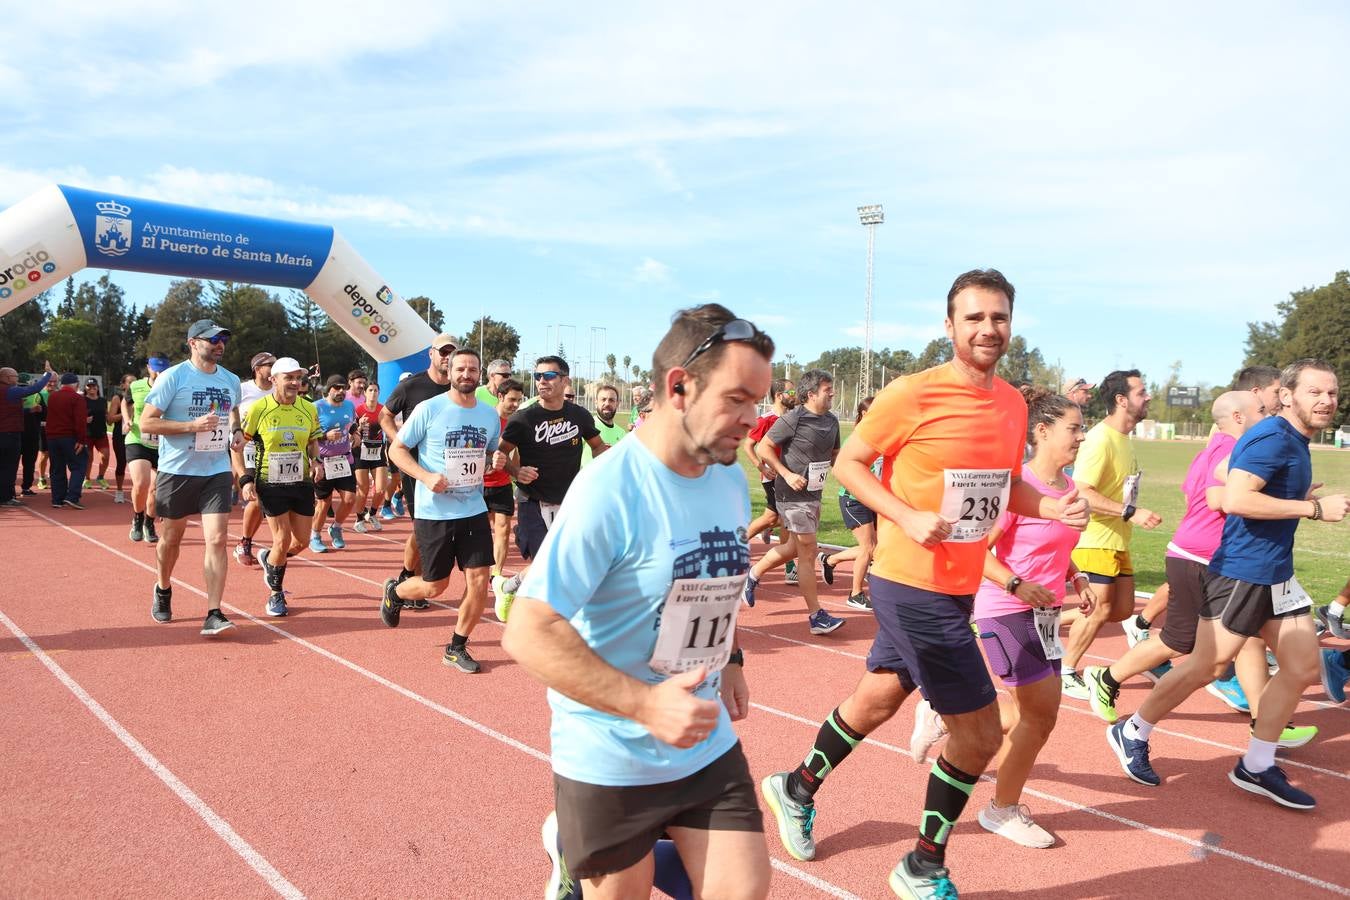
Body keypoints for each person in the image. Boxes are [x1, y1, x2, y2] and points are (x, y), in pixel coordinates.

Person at [760, 270, 1089, 898]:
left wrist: (1050, 508)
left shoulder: (1013, 403)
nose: (987, 329)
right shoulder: (912, 393)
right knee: (981, 732)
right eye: (974, 318)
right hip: (909, 581)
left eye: (998, 317)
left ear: (1010, 324)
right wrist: (904, 514)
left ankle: (795, 787)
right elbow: (854, 464)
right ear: (950, 326)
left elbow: (1001, 486)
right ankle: (922, 866)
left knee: (878, 700)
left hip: (960, 585)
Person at [502, 304, 774, 900]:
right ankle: (571, 849)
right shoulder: (608, 490)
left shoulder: (726, 473)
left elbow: (711, 577)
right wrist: (647, 706)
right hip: (609, 750)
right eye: (736, 399)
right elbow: (528, 629)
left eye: (758, 402)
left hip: (702, 736)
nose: (751, 420)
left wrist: (729, 658)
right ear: (679, 387)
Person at [1106, 359, 1348, 809]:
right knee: (1207, 666)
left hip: (1277, 573)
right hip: (1243, 571)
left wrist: (1300, 497)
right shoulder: (1273, 437)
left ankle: (1256, 765)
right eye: (1315, 392)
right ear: (1288, 395)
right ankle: (1132, 729)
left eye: (1332, 393)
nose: (1326, 401)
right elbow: (1235, 498)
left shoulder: (1295, 439)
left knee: (1301, 667)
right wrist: (1312, 510)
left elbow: (1245, 486)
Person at [1084, 392, 1274, 726]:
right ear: (1239, 417)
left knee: (1243, 636)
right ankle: (1109, 680)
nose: (1269, 415)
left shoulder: (1209, 452)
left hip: (1202, 554)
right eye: (1262, 410)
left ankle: (1267, 723)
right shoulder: (1233, 452)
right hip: (1201, 557)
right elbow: (1223, 501)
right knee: (1183, 641)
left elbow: (1190, 491)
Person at [380, 348, 501, 673]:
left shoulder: (489, 415)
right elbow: (397, 450)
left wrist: (497, 462)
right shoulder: (429, 409)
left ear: (479, 375)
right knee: (435, 586)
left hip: (473, 509)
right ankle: (396, 590)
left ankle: (456, 646)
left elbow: (490, 456)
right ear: (449, 373)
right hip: (435, 512)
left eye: (472, 369)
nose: (466, 374)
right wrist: (425, 476)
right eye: (460, 369)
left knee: (478, 581)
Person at [1059, 369, 1163, 700]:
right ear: (1121, 400)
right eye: (1141, 392)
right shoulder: (1100, 440)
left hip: (1117, 539)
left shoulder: (1124, 439)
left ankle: (1051, 619)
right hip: (1094, 540)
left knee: (1119, 610)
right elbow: (1083, 491)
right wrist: (1131, 512)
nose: (1147, 397)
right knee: (1100, 609)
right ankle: (1065, 670)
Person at [140, 320, 243, 635]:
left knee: (217, 538)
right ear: (193, 343)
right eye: (213, 339)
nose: (219, 344)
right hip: (178, 470)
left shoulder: (231, 379)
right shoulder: (174, 377)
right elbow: (147, 423)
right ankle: (163, 586)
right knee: (172, 538)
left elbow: (233, 410)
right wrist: (190, 427)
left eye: (223, 339)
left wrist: (236, 430)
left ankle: (214, 612)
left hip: (216, 468)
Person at [490, 355, 606, 621]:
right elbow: (500, 455)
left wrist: (596, 473)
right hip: (533, 501)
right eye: (538, 376)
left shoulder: (579, 415)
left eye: (549, 376)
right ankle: (544, 619)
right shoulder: (523, 418)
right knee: (547, 564)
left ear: (565, 380)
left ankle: (509, 586)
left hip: (569, 503)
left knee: (564, 564)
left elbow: (598, 446)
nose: (542, 381)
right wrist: (516, 471)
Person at [744, 369, 845, 636]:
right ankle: (816, 616)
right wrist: (787, 474)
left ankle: (752, 574)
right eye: (827, 389)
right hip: (790, 495)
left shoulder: (832, 421)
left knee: (792, 547)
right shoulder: (793, 419)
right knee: (808, 551)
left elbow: (835, 456)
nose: (832, 392)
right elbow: (764, 447)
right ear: (811, 394)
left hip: (814, 493)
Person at [237, 357, 324, 617]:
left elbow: (312, 441)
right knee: (282, 538)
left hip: (301, 482)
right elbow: (238, 446)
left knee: (301, 542)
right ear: (274, 380)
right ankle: (276, 594)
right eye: (289, 378)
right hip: (269, 481)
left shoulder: (308, 409)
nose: (295, 382)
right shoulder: (258, 409)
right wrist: (244, 478)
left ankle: (270, 559)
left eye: (298, 377)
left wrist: (317, 460)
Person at [379, 334, 458, 595]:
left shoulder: (460, 388)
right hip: (417, 469)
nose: (447, 357)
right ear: (431, 354)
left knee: (440, 526)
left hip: (451, 469)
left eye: (452, 352)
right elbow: (385, 416)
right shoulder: (411, 386)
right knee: (422, 526)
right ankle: (412, 576)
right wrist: (399, 442)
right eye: (443, 352)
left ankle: (412, 575)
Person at [819, 396, 879, 611]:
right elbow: (841, 471)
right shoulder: (855, 440)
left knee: (879, 549)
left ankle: (831, 560)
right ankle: (855, 594)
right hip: (854, 500)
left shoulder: (884, 438)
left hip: (874, 499)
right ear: (863, 415)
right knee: (869, 548)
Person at [484, 377, 525, 612]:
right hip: (478, 485)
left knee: (503, 528)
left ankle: (496, 576)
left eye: (519, 400)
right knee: (480, 532)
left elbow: (516, 454)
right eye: (511, 400)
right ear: (500, 396)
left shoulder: (517, 423)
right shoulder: (487, 418)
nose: (515, 405)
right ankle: (479, 571)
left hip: (501, 484)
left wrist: (516, 475)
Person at [233, 351, 276, 566]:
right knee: (257, 498)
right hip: (248, 449)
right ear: (258, 369)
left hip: (274, 452)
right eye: (270, 365)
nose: (274, 368)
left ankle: (274, 546)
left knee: (265, 502)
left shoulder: (279, 390)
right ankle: (244, 542)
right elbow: (231, 415)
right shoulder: (242, 390)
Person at [309, 374, 359, 553]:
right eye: (336, 388)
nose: (340, 391)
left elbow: (351, 424)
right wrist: (325, 436)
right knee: (324, 502)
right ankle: (315, 535)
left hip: (345, 459)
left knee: (350, 499)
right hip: (323, 461)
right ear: (328, 389)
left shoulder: (349, 405)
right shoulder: (316, 407)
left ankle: (336, 527)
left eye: (343, 388)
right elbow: (308, 434)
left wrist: (356, 434)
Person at [743, 379, 795, 546]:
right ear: (779, 396)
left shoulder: (793, 418)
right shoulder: (765, 420)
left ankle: (764, 531)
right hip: (772, 475)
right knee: (777, 516)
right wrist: (762, 468)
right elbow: (748, 446)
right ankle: (737, 545)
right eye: (791, 393)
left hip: (788, 474)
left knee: (780, 516)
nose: (795, 396)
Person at [124, 354, 169, 543]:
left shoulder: (172, 388)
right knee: (141, 483)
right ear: (148, 368)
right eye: (155, 369)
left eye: (162, 370)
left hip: (163, 444)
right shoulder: (136, 386)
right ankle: (137, 517)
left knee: (156, 489)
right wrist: (127, 419)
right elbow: (126, 402)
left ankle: (149, 523)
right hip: (138, 440)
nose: (158, 373)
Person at [0, 363, 54, 506]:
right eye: (15, 377)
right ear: (6, 377)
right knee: (10, 467)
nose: (17, 379)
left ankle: (6, 495)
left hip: (4, 432)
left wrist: (28, 411)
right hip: (10, 434)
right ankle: (6, 497)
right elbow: (34, 388)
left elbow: (6, 412)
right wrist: (47, 374)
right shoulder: (10, 391)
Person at [44, 373, 90, 509]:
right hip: (69, 437)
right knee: (79, 465)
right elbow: (80, 421)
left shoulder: (52, 397)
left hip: (52, 437)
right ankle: (73, 496)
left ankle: (57, 499)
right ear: (75, 384)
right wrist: (81, 440)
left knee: (56, 467)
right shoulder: (77, 398)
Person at [352, 381, 388, 533]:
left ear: (379, 393)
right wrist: (359, 425)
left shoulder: (383, 410)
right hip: (361, 451)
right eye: (370, 390)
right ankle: (359, 518)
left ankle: (372, 514)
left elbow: (390, 426)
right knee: (363, 488)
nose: (373, 393)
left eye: (375, 390)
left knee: (381, 489)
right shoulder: (358, 410)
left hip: (378, 450)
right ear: (365, 393)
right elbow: (352, 431)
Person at [581, 383, 626, 465]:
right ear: (596, 403)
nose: (607, 403)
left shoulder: (622, 433)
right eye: (603, 399)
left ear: (617, 404)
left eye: (611, 400)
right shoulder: (586, 426)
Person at [82, 379, 112, 491]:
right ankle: (87, 478)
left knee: (105, 456)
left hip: (101, 433)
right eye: (89, 386)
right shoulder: (82, 400)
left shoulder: (103, 401)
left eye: (94, 386)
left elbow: (106, 414)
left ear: (98, 388)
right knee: (89, 458)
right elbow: (76, 415)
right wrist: (84, 420)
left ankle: (100, 476)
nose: (92, 388)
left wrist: (109, 418)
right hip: (87, 433)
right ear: (85, 388)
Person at [108, 373, 133, 503]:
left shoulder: (141, 397)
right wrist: (126, 414)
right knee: (121, 462)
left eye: (135, 382)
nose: (132, 384)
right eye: (130, 382)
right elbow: (110, 420)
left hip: (136, 435)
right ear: (123, 385)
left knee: (138, 464)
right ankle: (119, 491)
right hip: (120, 435)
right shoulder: (117, 399)